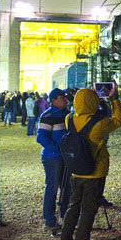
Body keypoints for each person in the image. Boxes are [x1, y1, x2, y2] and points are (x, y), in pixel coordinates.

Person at [59, 86, 121, 240]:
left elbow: (82, 108)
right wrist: (113, 100)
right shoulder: (100, 124)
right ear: (94, 101)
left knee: (74, 206)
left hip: (76, 170)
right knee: (89, 208)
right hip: (95, 172)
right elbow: (117, 120)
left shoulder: (69, 119)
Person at [37, 88, 70, 232]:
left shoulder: (67, 114)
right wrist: (58, 149)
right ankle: (49, 219)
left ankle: (65, 217)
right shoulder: (48, 116)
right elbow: (41, 137)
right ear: (54, 99)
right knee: (52, 188)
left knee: (66, 189)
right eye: (62, 97)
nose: (65, 99)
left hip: (64, 157)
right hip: (53, 157)